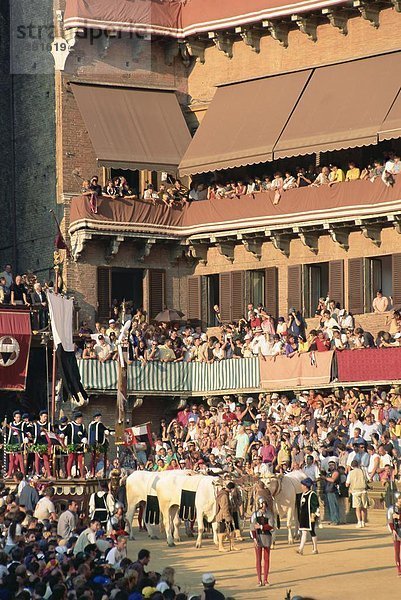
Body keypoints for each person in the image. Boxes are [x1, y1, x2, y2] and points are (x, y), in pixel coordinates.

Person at [250, 497, 274, 587]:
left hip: (267, 537)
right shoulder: (254, 515)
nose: (264, 507)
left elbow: (271, 525)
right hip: (258, 538)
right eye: (262, 505)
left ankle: (266, 580)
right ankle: (259, 580)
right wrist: (254, 539)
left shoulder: (270, 514)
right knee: (258, 559)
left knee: (266, 559)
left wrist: (261, 527)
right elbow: (252, 527)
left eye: (265, 505)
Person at [297, 477, 320, 555]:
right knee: (304, 532)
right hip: (304, 516)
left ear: (306, 486)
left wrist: (314, 514)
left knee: (312, 532)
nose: (301, 486)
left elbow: (316, 505)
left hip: (310, 516)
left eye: (302, 485)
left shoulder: (312, 494)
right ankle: (301, 549)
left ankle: (315, 548)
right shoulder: (303, 494)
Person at [88, 412, 113, 477]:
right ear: (96, 417)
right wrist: (109, 431)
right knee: (98, 458)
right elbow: (104, 430)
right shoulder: (99, 424)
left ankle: (92, 472)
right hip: (99, 444)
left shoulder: (90, 424)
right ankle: (97, 472)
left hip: (92, 444)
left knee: (93, 459)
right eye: (99, 417)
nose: (100, 419)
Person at [346, 459, 369, 528]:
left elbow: (347, 484)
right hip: (363, 490)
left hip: (355, 491)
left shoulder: (351, 473)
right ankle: (363, 522)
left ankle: (359, 522)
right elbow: (368, 479)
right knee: (364, 507)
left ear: (352, 466)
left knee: (357, 508)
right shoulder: (363, 471)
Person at [65, 411, 87, 479]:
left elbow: (85, 434)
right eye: (81, 418)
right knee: (71, 459)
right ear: (77, 418)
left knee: (81, 461)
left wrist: (85, 438)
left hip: (80, 446)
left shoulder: (82, 426)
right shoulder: (70, 425)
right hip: (72, 445)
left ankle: (82, 475)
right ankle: (69, 475)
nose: (82, 420)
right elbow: (66, 433)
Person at [215, 482, 236, 552]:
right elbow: (224, 507)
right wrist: (228, 518)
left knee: (231, 531)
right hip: (223, 516)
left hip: (223, 515)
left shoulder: (224, 493)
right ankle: (220, 547)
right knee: (222, 532)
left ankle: (232, 546)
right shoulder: (224, 496)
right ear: (231, 489)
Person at [32, 410, 51, 478]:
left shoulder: (48, 425)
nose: (45, 418)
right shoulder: (35, 424)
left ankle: (49, 474)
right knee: (37, 459)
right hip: (37, 444)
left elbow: (50, 433)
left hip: (45, 444)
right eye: (44, 416)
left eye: (46, 417)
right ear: (40, 417)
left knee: (46, 459)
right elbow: (32, 434)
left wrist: (45, 431)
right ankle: (37, 473)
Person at [6, 410, 25, 477]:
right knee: (11, 460)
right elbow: (10, 435)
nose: (18, 418)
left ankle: (23, 474)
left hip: (19, 443)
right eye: (17, 417)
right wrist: (8, 444)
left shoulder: (22, 424)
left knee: (20, 460)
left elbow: (23, 433)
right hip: (12, 444)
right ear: (14, 417)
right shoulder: (11, 424)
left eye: (19, 417)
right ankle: (9, 474)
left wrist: (22, 443)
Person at [388, 493, 401, 576]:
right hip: (396, 532)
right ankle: (399, 569)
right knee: (397, 552)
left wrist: (399, 517)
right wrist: (393, 529)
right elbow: (389, 521)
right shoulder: (392, 509)